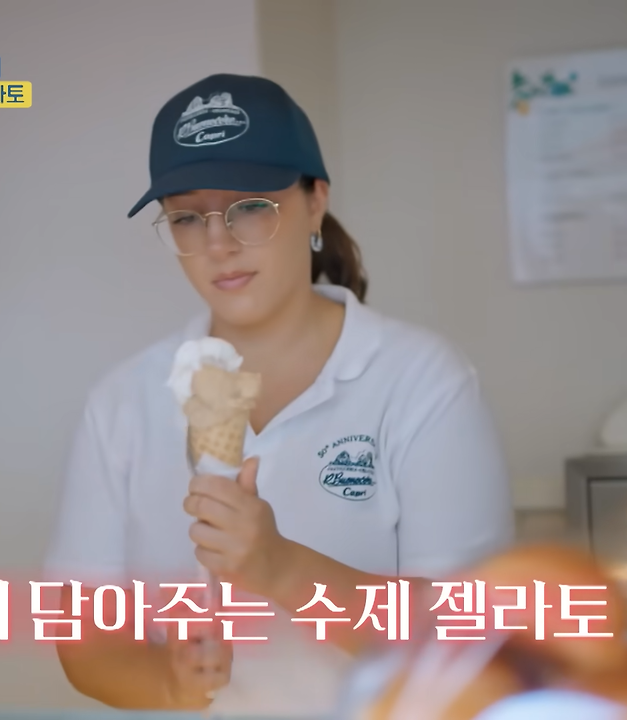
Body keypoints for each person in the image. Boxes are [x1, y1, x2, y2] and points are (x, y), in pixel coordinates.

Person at [44, 73, 514, 716]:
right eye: (187, 218)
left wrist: (281, 568)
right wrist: (168, 684)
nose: (218, 244)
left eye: (249, 207)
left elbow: (469, 639)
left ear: (315, 201)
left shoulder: (420, 380)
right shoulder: (122, 402)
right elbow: (84, 639)